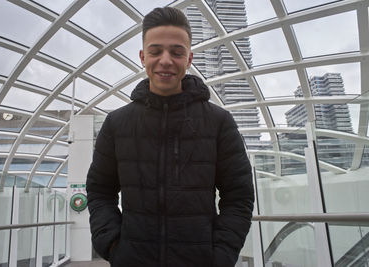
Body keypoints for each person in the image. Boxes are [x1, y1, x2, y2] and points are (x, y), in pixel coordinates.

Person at [86, 6, 254, 267]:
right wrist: (113, 244)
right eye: (156, 51)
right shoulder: (117, 124)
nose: (165, 60)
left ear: (189, 59)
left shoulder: (218, 122)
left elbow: (239, 196)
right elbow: (99, 190)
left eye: (177, 52)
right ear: (143, 57)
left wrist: (220, 255)